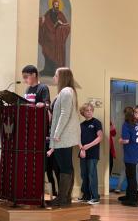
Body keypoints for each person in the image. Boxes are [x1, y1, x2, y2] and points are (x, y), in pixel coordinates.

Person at [21, 65, 60, 196]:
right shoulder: (27, 89)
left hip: (41, 130)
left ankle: (53, 191)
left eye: (26, 77)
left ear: (34, 75)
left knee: (48, 167)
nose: (25, 79)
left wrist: (43, 105)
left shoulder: (43, 88)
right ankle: (32, 190)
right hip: (29, 129)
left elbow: (47, 104)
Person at [47, 67, 81, 206]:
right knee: (67, 167)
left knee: (65, 167)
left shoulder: (66, 91)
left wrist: (56, 133)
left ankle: (62, 199)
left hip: (63, 137)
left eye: (56, 75)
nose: (54, 78)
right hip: (64, 136)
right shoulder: (66, 92)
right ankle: (65, 198)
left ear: (62, 77)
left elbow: (64, 114)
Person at [78, 103, 103, 205]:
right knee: (84, 175)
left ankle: (95, 197)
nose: (89, 112)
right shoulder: (81, 125)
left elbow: (100, 137)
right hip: (83, 153)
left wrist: (88, 146)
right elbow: (78, 139)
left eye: (91, 110)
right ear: (83, 112)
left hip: (93, 153)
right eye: (87, 110)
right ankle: (86, 195)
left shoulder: (96, 122)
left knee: (92, 174)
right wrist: (82, 149)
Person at [118, 107, 138, 207]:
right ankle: (129, 195)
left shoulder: (127, 124)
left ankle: (133, 200)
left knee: (131, 176)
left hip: (131, 153)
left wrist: (120, 141)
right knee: (130, 175)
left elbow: (126, 140)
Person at [39, 0, 70, 77]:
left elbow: (66, 26)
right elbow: (43, 21)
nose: (57, 6)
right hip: (48, 38)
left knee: (56, 55)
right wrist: (41, 20)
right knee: (47, 53)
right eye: (55, 4)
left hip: (56, 39)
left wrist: (61, 26)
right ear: (52, 5)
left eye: (57, 4)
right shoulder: (48, 13)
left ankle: (55, 71)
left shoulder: (60, 14)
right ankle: (47, 70)